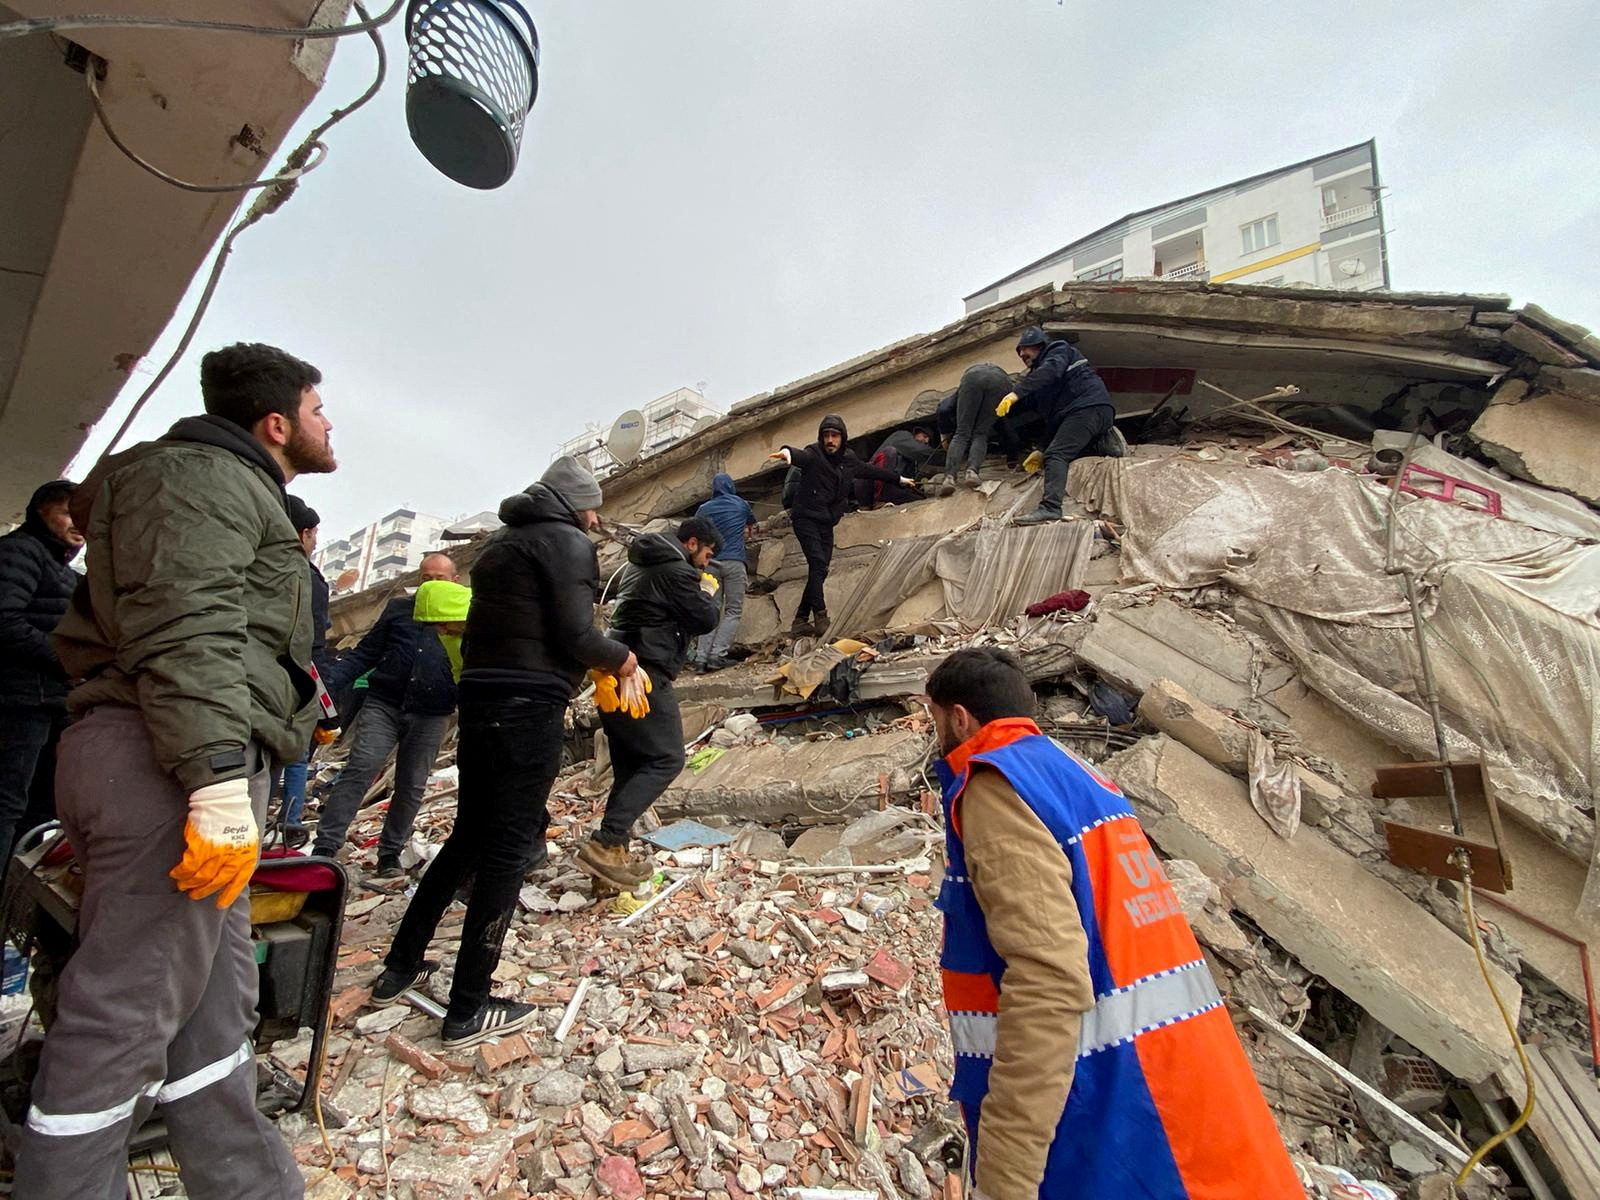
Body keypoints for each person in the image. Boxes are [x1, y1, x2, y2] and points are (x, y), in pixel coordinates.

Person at [17, 342, 335, 1199]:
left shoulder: (227, 486)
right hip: (165, 764)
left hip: (181, 757)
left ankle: (246, 1186)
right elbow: (186, 628)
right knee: (123, 1016)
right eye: (317, 407)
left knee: (210, 1007)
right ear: (276, 423)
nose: (328, 421)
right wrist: (215, 779)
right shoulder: (199, 480)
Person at [924, 648, 1301, 1200]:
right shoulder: (1074, 773)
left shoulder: (997, 786)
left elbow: (1047, 980)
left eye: (934, 722)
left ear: (960, 718)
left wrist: (1005, 1175)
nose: (935, 737)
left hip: (1122, 1117)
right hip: (1195, 1094)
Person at [371, 456, 638, 1049]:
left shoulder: (499, 547)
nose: (597, 518)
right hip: (527, 706)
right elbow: (574, 633)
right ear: (575, 503)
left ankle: (401, 965)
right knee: (508, 850)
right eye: (593, 505)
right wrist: (620, 658)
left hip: (484, 700)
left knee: (468, 835)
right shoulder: (566, 542)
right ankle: (468, 1006)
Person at [581, 517, 721, 891]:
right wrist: (706, 591)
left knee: (630, 766)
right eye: (707, 553)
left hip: (616, 671)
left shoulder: (637, 566)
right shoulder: (677, 571)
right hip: (644, 674)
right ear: (692, 544)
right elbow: (705, 619)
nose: (707, 563)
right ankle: (607, 842)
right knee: (666, 758)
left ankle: (611, 863)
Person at [311, 551, 461, 878]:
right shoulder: (399, 610)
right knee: (361, 766)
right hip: (385, 703)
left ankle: (390, 854)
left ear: (455, 581)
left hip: (432, 712)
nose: (432, 584)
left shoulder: (463, 616)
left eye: (440, 579)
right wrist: (329, 684)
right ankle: (325, 845)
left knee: (411, 783)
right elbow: (365, 653)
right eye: (426, 578)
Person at [0, 480, 82, 878]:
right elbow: (5, 622)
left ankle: (13, 897)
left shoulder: (61, 570)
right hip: (18, 701)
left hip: (49, 702)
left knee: (41, 806)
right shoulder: (20, 553)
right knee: (7, 804)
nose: (78, 522)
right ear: (41, 512)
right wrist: (66, 659)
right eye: (68, 512)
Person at [771, 414, 911, 638]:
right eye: (826, 435)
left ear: (842, 438)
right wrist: (787, 452)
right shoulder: (814, 454)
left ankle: (799, 621)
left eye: (834, 436)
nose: (830, 440)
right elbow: (800, 456)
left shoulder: (849, 460)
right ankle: (821, 616)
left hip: (826, 520)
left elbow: (871, 471)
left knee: (821, 570)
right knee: (817, 564)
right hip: (805, 518)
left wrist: (899, 479)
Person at [1000, 327, 1121, 525]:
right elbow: (1054, 420)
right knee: (1064, 449)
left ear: (1039, 345)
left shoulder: (1058, 351)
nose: (1022, 354)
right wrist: (1040, 448)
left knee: (1057, 455)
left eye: (1025, 349)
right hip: (1088, 413)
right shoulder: (1042, 381)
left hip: (1087, 408)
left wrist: (1017, 392)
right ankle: (1103, 444)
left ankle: (1050, 508)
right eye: (1019, 352)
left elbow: (1051, 370)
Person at [274, 494, 332, 847]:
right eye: (314, 534)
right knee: (294, 753)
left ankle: (273, 818)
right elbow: (312, 634)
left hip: (265, 674)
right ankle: (289, 821)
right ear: (305, 533)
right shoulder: (304, 576)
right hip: (295, 675)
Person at [691, 473, 756, 672]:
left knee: (711, 609)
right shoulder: (741, 504)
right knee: (733, 610)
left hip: (710, 564)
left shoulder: (703, 509)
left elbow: (696, 534)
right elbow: (750, 528)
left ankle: (701, 659)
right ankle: (717, 656)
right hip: (735, 562)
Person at [939, 363, 1015, 492]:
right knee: (981, 433)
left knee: (962, 433)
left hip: (972, 377)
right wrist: (1013, 454)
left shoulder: (955, 397)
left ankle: (949, 478)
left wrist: (944, 435)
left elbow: (944, 408)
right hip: (1002, 382)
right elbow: (1006, 429)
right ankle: (972, 473)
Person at [854, 425, 934, 509]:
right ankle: (879, 499)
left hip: (890, 489)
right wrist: (944, 456)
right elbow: (919, 450)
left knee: (920, 500)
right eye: (924, 436)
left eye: (928, 441)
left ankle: (879, 501)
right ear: (916, 433)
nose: (926, 441)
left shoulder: (912, 464)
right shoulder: (902, 436)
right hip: (867, 486)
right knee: (890, 451)